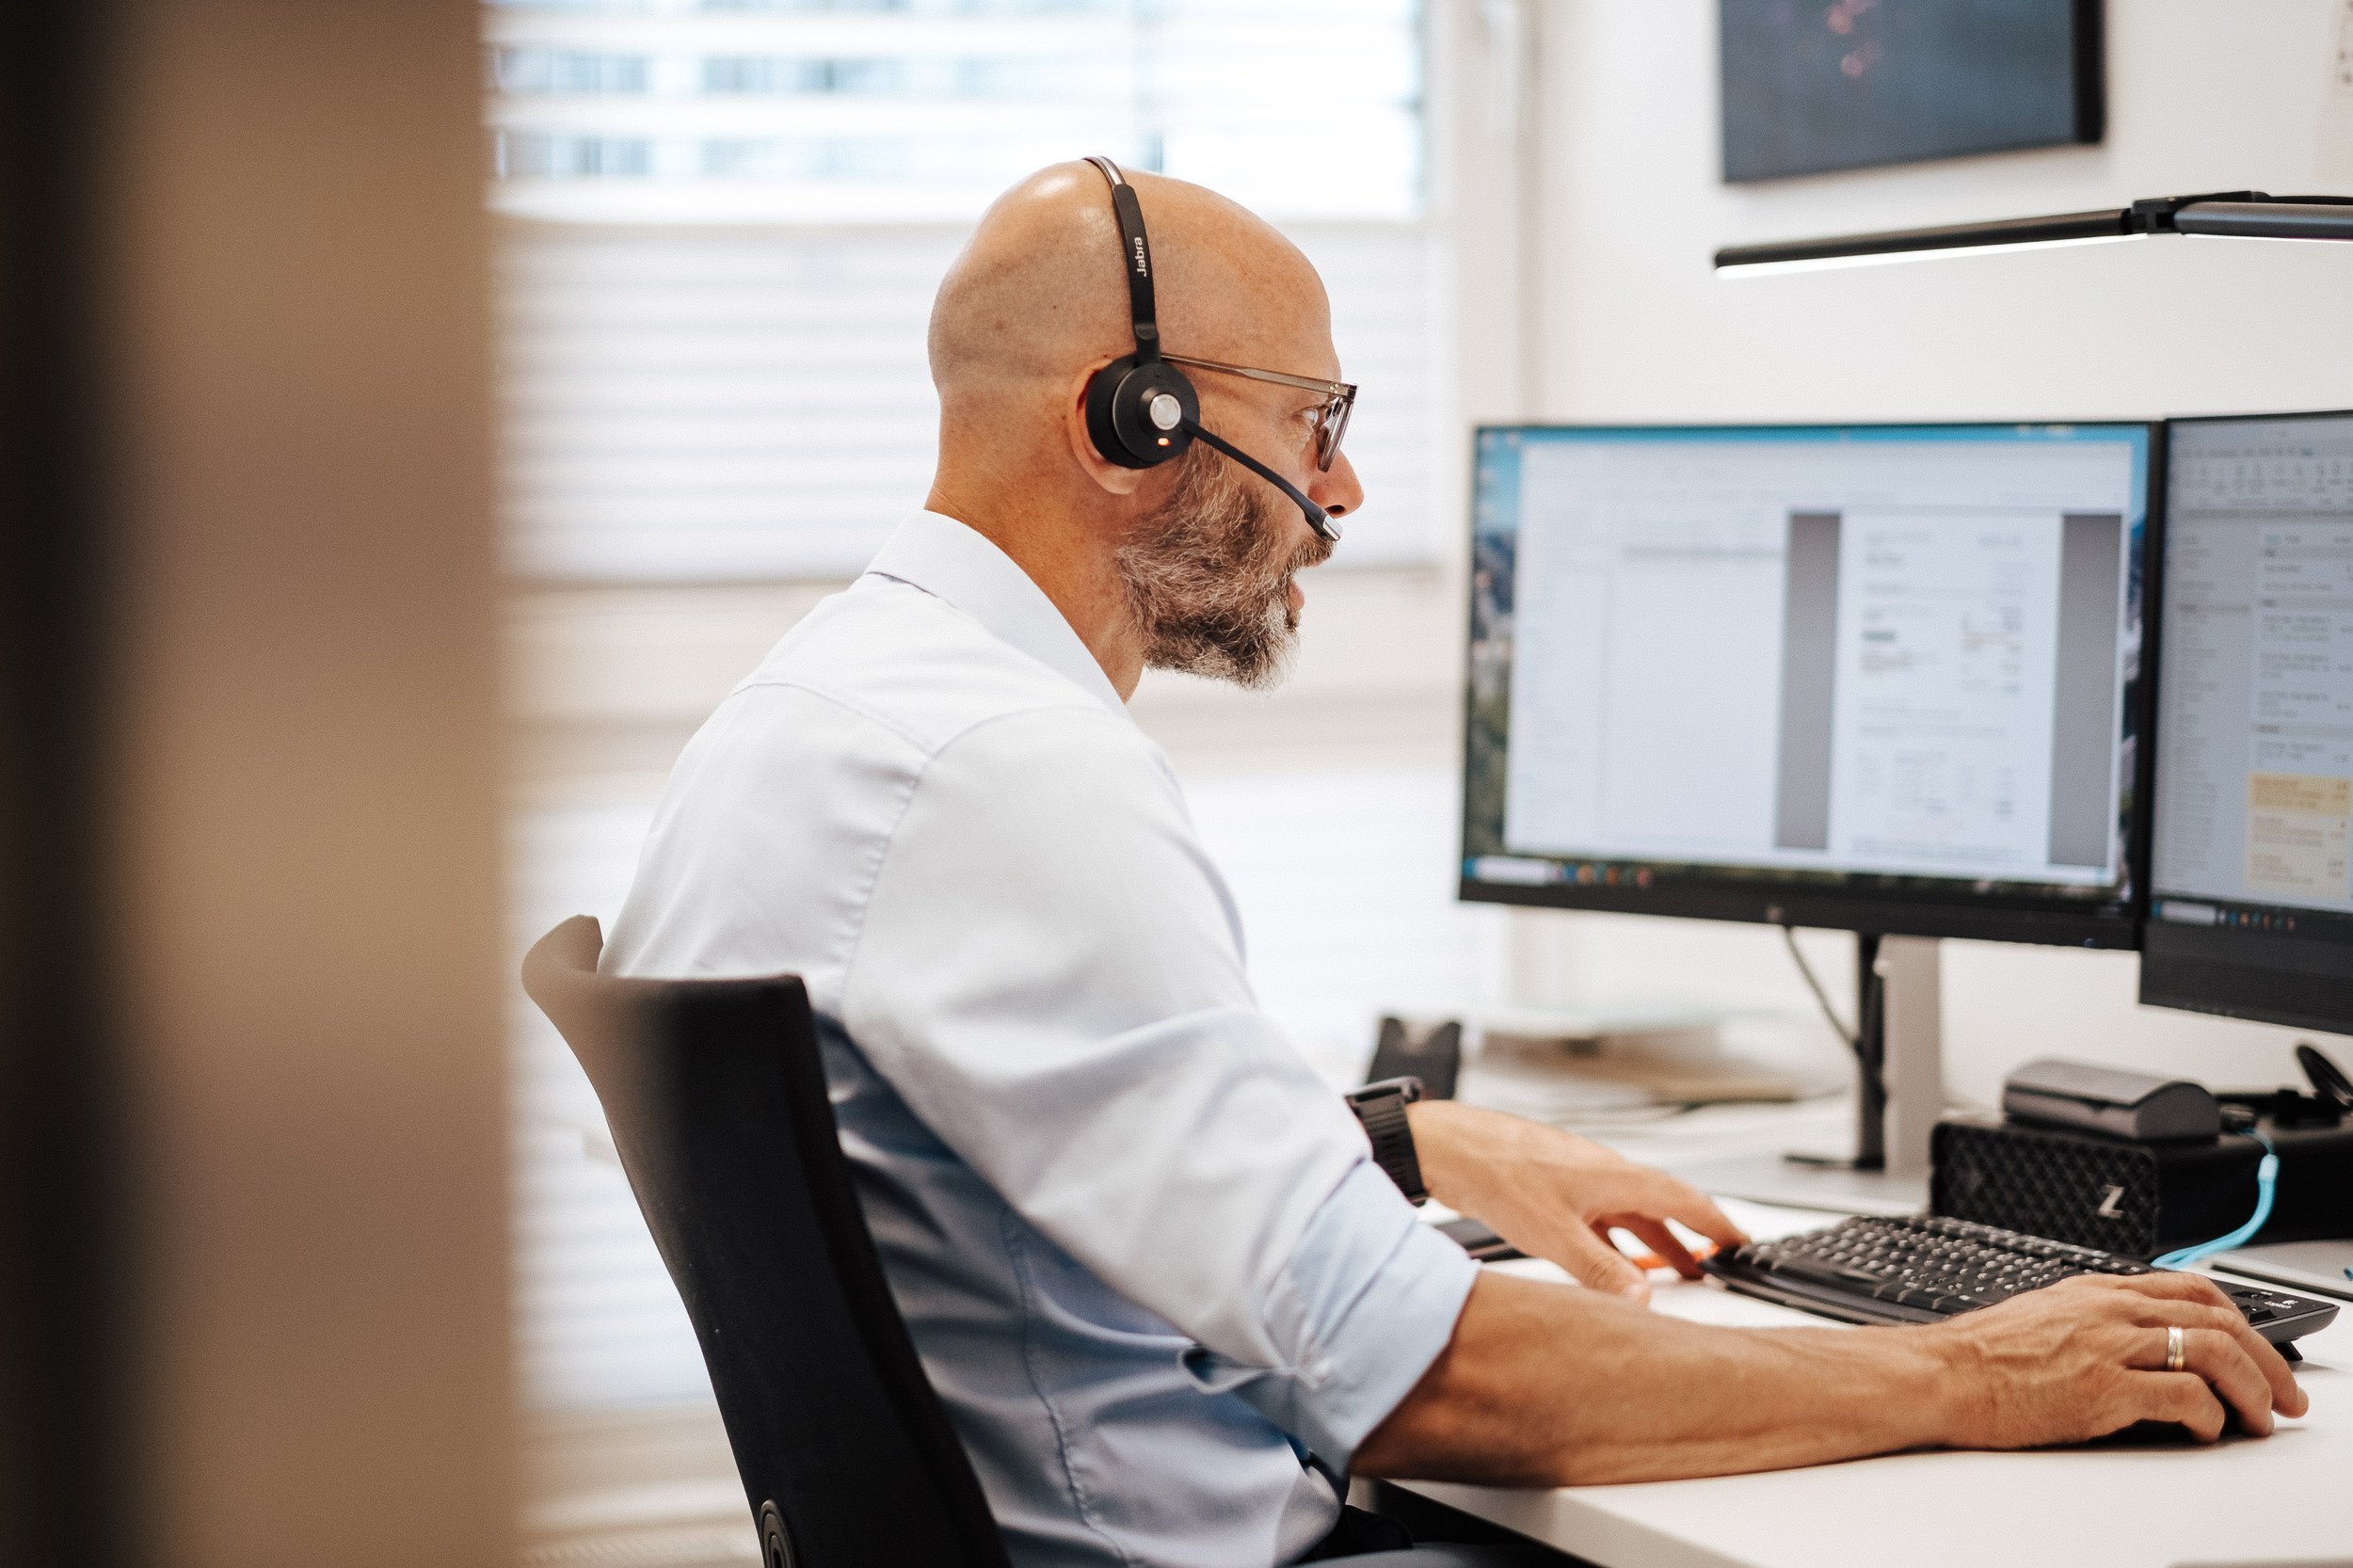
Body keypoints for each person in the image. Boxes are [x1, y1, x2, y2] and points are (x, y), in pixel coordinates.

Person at [601, 163, 2306, 1568]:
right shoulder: (1009, 772)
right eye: (1316, 418)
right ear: (1132, 418)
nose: (1342, 490)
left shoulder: (820, 712)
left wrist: (1398, 1138)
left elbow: (1005, 1147)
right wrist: (1968, 1370)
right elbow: (1436, 1381)